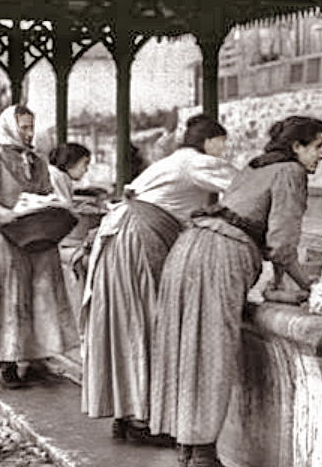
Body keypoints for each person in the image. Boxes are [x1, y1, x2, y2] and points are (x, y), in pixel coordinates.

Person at [150, 115, 322, 467]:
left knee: (186, 350)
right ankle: (203, 460)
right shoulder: (291, 172)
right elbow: (282, 246)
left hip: (188, 248)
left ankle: (186, 455)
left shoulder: (254, 167)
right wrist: (313, 287)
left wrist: (279, 283)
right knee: (211, 350)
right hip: (221, 256)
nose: (320, 156)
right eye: (317, 146)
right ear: (297, 147)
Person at [79, 115, 235, 445]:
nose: (224, 150)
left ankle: (124, 414)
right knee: (142, 323)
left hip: (117, 237)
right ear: (209, 142)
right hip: (138, 240)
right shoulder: (196, 162)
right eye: (222, 143)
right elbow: (242, 187)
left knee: (121, 325)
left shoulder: (168, 162)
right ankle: (140, 421)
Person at [0, 106, 77, 388]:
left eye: (30, 127)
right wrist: (2, 212)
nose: (28, 133)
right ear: (10, 128)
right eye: (23, 128)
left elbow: (47, 192)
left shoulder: (37, 160)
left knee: (38, 293)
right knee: (9, 296)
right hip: (3, 236)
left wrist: (49, 206)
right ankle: (8, 362)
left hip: (34, 234)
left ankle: (35, 354)